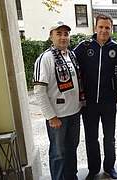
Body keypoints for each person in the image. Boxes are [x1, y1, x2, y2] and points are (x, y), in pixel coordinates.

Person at [74, 13, 117, 180]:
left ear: (111, 29)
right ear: (95, 27)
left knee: (109, 137)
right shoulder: (84, 46)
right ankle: (93, 169)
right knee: (91, 138)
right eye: (101, 27)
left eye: (107, 27)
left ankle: (110, 167)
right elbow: (71, 66)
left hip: (109, 102)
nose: (104, 30)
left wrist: (116, 91)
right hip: (88, 104)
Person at [33, 21, 84, 180]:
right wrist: (51, 117)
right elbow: (39, 91)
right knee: (58, 153)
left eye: (66, 34)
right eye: (59, 33)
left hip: (74, 113)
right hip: (58, 117)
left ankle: (71, 177)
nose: (63, 37)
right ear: (51, 36)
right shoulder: (45, 58)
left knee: (71, 149)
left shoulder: (71, 55)